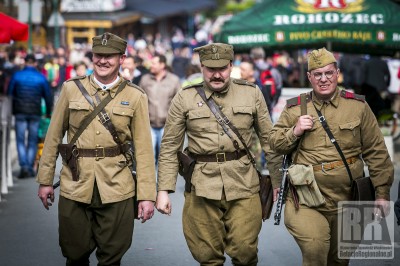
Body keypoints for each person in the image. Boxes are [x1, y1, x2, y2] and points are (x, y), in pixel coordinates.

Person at [36, 32, 157, 265]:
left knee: (112, 256)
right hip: (75, 182)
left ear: (122, 59)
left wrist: (146, 196)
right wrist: (45, 180)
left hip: (117, 185)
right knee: (74, 253)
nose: (103, 61)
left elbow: (143, 150)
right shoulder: (71, 89)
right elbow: (53, 138)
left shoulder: (135, 96)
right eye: (98, 55)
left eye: (109, 56)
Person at [156, 43, 281, 265]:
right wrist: (163, 190)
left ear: (231, 66)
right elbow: (169, 147)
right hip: (202, 185)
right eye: (210, 68)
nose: (216, 74)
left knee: (245, 252)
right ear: (201, 67)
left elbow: (270, 142)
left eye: (222, 68)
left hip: (243, 182)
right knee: (207, 256)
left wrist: (277, 181)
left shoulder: (251, 93)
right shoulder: (184, 98)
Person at [269, 47, 394, 265]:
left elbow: (376, 151)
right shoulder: (294, 108)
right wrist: (295, 131)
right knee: (315, 247)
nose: (324, 79)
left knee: (340, 259)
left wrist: (382, 193)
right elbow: (274, 144)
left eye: (328, 73)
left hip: (349, 197)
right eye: (317, 74)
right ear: (309, 77)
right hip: (306, 198)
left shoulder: (358, 107)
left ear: (337, 73)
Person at [7, 54, 53, 178]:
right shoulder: (41, 77)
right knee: (32, 140)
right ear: (35, 63)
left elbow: (9, 94)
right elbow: (48, 97)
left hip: (20, 112)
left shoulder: (17, 76)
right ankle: (29, 165)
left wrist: (11, 111)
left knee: (20, 140)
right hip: (35, 112)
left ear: (24, 62)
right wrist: (48, 112)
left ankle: (24, 166)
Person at [139, 54, 181, 166]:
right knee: (148, 158)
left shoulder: (174, 80)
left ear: (162, 65)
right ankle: (151, 183)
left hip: (167, 125)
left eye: (154, 63)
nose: (151, 65)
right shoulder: (145, 79)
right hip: (149, 124)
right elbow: (139, 101)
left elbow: (179, 103)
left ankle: (164, 183)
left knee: (166, 158)